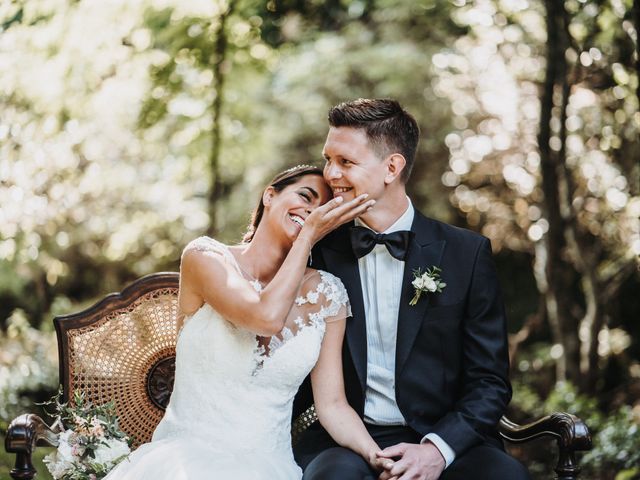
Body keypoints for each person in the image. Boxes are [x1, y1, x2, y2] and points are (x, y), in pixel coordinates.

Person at [293, 99, 531, 480]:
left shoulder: (466, 254)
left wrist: (437, 450)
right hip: (346, 439)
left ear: (392, 167)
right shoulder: (317, 251)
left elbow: (490, 381)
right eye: (328, 159)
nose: (330, 174)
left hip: (445, 436)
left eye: (346, 162)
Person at [104, 165, 390, 480]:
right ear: (270, 195)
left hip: (269, 467)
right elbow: (264, 318)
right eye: (305, 197)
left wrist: (377, 457)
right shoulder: (206, 258)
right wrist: (306, 237)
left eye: (321, 211)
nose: (311, 213)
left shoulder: (328, 294)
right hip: (183, 461)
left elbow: (333, 405)